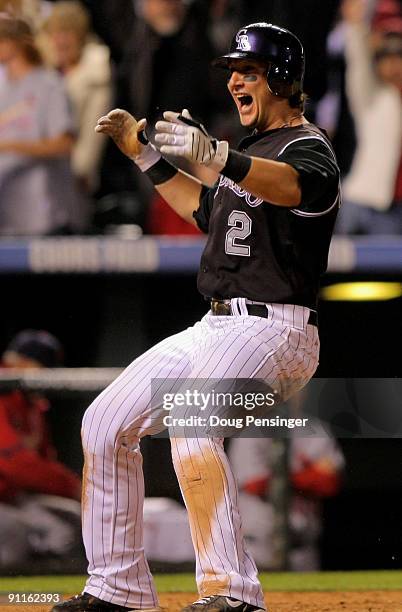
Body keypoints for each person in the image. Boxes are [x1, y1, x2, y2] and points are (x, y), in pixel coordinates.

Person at [54, 22, 340, 612]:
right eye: (234, 71)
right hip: (216, 325)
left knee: (192, 420)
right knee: (104, 422)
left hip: (275, 329)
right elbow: (203, 209)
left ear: (283, 79)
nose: (235, 79)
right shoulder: (250, 154)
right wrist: (144, 154)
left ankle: (233, 593)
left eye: (250, 71)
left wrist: (217, 155)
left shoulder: (307, 147)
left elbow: (290, 188)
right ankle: (118, 589)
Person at [0, 330, 82, 570]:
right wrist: (72, 485)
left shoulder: (32, 405)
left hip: (15, 498)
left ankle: (47, 590)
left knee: (72, 521)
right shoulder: (4, 394)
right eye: (41, 368)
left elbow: (44, 460)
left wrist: (73, 486)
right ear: (19, 362)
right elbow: (15, 465)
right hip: (8, 499)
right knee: (15, 532)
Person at [0, 15, 86, 235]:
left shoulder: (49, 85)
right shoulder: (2, 84)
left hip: (45, 211)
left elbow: (64, 144)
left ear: (15, 42)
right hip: (7, 210)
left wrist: (9, 146)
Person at [229, 420, 345, 571]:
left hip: (303, 549)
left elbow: (329, 483)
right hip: (256, 548)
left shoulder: (315, 428)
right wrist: (309, 474)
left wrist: (280, 478)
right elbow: (254, 484)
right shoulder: (249, 429)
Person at [336, 0, 402, 234]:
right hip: (365, 204)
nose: (394, 64)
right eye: (386, 56)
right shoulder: (372, 96)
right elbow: (358, 62)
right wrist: (356, 27)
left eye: (399, 55)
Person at [41, 1, 112, 196]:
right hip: (40, 174)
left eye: (67, 33)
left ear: (81, 36)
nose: (60, 40)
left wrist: (74, 175)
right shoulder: (46, 71)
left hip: (73, 180)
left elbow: (92, 137)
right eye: (55, 33)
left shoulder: (96, 75)